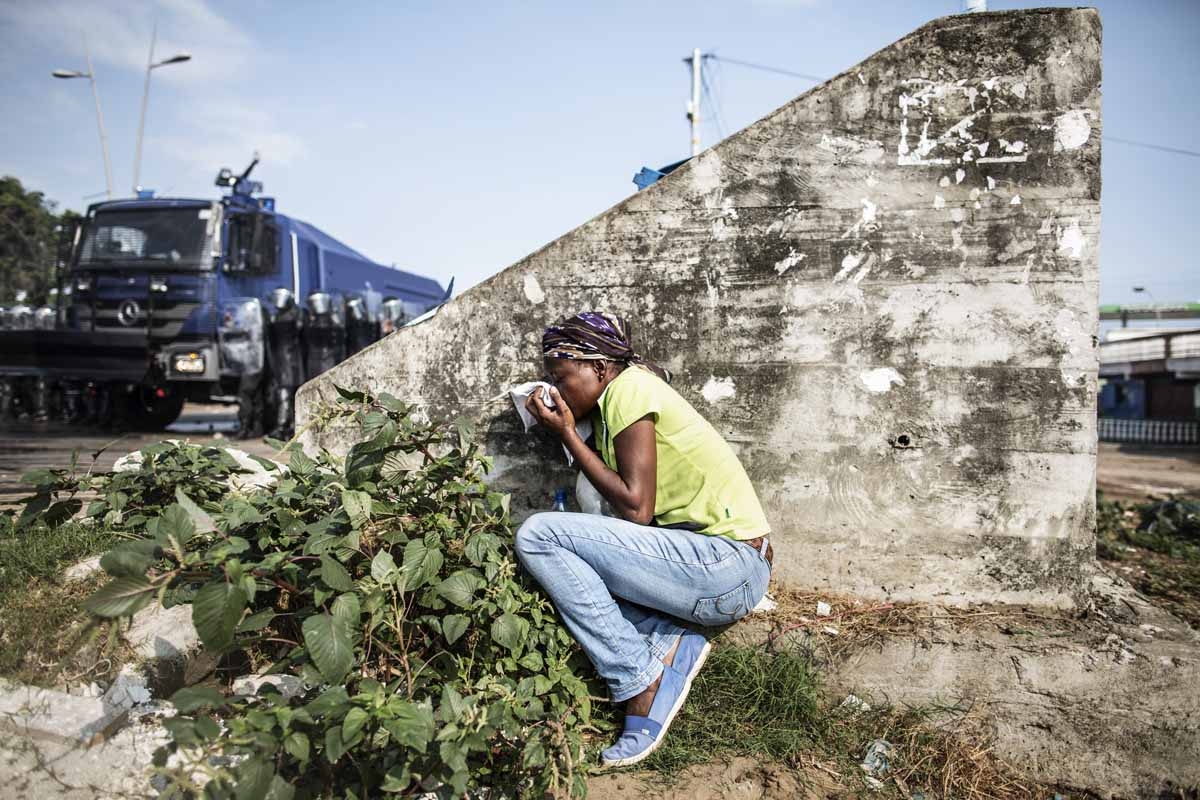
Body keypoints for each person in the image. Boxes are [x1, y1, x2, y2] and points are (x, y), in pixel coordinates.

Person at [516, 311, 773, 768]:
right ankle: (670, 640)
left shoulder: (629, 389)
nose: (556, 389)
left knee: (538, 536)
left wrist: (569, 435)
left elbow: (637, 507)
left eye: (561, 376)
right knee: (574, 553)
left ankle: (640, 681)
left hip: (726, 565)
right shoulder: (618, 403)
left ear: (598, 367)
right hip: (712, 567)